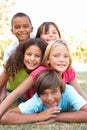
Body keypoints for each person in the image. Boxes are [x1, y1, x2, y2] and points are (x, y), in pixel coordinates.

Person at [0, 39, 87, 119]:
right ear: (48, 59)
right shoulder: (40, 72)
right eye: (56, 56)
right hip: (32, 99)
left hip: (52, 100)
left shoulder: (69, 71)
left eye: (66, 56)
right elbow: (17, 92)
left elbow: (80, 93)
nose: (61, 60)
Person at [1, 69, 87, 125]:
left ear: (61, 90)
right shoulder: (37, 100)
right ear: (39, 94)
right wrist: (39, 116)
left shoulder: (68, 91)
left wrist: (56, 116)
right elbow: (6, 117)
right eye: (44, 94)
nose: (49, 98)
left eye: (54, 92)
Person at [0, 38, 47, 102]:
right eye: (29, 54)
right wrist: (3, 92)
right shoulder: (15, 64)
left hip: (26, 98)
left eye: (37, 56)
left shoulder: (42, 71)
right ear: (23, 54)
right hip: (9, 92)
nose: (32, 59)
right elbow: (1, 81)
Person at [0, 12, 33, 102]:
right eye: (17, 27)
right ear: (12, 31)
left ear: (31, 29)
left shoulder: (37, 42)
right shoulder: (10, 50)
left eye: (25, 26)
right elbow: (5, 72)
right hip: (13, 88)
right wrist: (2, 91)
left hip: (32, 86)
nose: (22, 30)